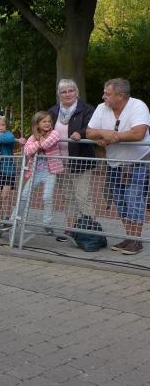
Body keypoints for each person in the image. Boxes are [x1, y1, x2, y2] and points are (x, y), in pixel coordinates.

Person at [86, 78, 150, 255]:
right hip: (113, 163)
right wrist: (104, 133)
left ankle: (136, 240)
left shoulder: (138, 106)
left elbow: (139, 133)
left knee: (133, 200)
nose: (103, 96)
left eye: (107, 94)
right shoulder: (101, 108)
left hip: (136, 162)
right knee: (120, 202)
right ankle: (129, 237)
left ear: (120, 95)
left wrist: (113, 137)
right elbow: (89, 132)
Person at [47, 79, 97, 232]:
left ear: (77, 92)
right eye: (64, 92)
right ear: (59, 95)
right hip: (60, 160)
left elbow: (92, 127)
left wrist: (81, 133)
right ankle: (71, 229)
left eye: (71, 91)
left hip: (80, 159)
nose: (68, 94)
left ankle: (89, 231)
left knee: (82, 196)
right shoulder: (53, 111)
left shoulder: (87, 109)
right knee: (67, 195)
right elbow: (44, 127)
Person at [20, 111, 64, 234]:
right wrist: (38, 143)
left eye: (49, 121)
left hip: (50, 171)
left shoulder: (54, 133)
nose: (47, 123)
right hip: (35, 171)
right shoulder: (32, 137)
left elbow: (46, 144)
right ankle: (14, 219)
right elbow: (27, 151)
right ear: (37, 124)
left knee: (47, 197)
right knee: (24, 195)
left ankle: (47, 223)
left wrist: (37, 144)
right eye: (44, 121)